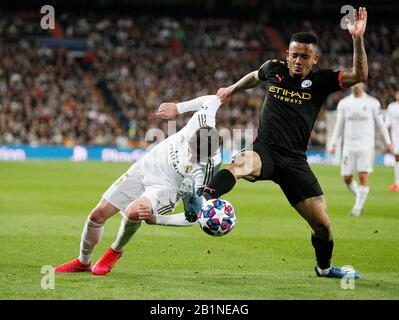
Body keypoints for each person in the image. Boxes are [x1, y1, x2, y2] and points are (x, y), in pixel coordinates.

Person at [183, 8, 369, 279]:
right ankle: (204, 197)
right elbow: (253, 76)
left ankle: (324, 268)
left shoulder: (321, 81)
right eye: (293, 54)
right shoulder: (274, 70)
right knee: (239, 164)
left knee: (323, 226)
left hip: (295, 161)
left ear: (314, 59)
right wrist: (232, 89)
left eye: (304, 56)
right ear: (287, 54)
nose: (297, 60)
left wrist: (357, 39)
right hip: (265, 150)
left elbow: (359, 75)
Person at [54, 95, 222, 275]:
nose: (190, 157)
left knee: (133, 212)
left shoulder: (207, 171)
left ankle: (114, 251)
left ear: (209, 155)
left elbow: (193, 216)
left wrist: (157, 220)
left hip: (165, 188)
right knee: (97, 215)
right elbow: (214, 99)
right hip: (144, 167)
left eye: (196, 156)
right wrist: (178, 107)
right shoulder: (202, 119)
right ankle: (83, 262)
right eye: (190, 149)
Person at [329, 83, 393, 216]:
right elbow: (339, 125)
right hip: (348, 146)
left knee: (363, 175)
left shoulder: (372, 103)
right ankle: (360, 197)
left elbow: (380, 124)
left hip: (366, 145)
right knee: (346, 178)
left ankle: (357, 208)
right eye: (354, 82)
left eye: (359, 82)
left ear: (364, 84)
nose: (356, 85)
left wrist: (388, 142)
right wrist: (333, 143)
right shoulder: (344, 103)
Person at [385, 90, 399, 192]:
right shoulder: (392, 107)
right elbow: (387, 124)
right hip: (396, 139)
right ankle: (397, 183)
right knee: (397, 160)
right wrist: (388, 141)